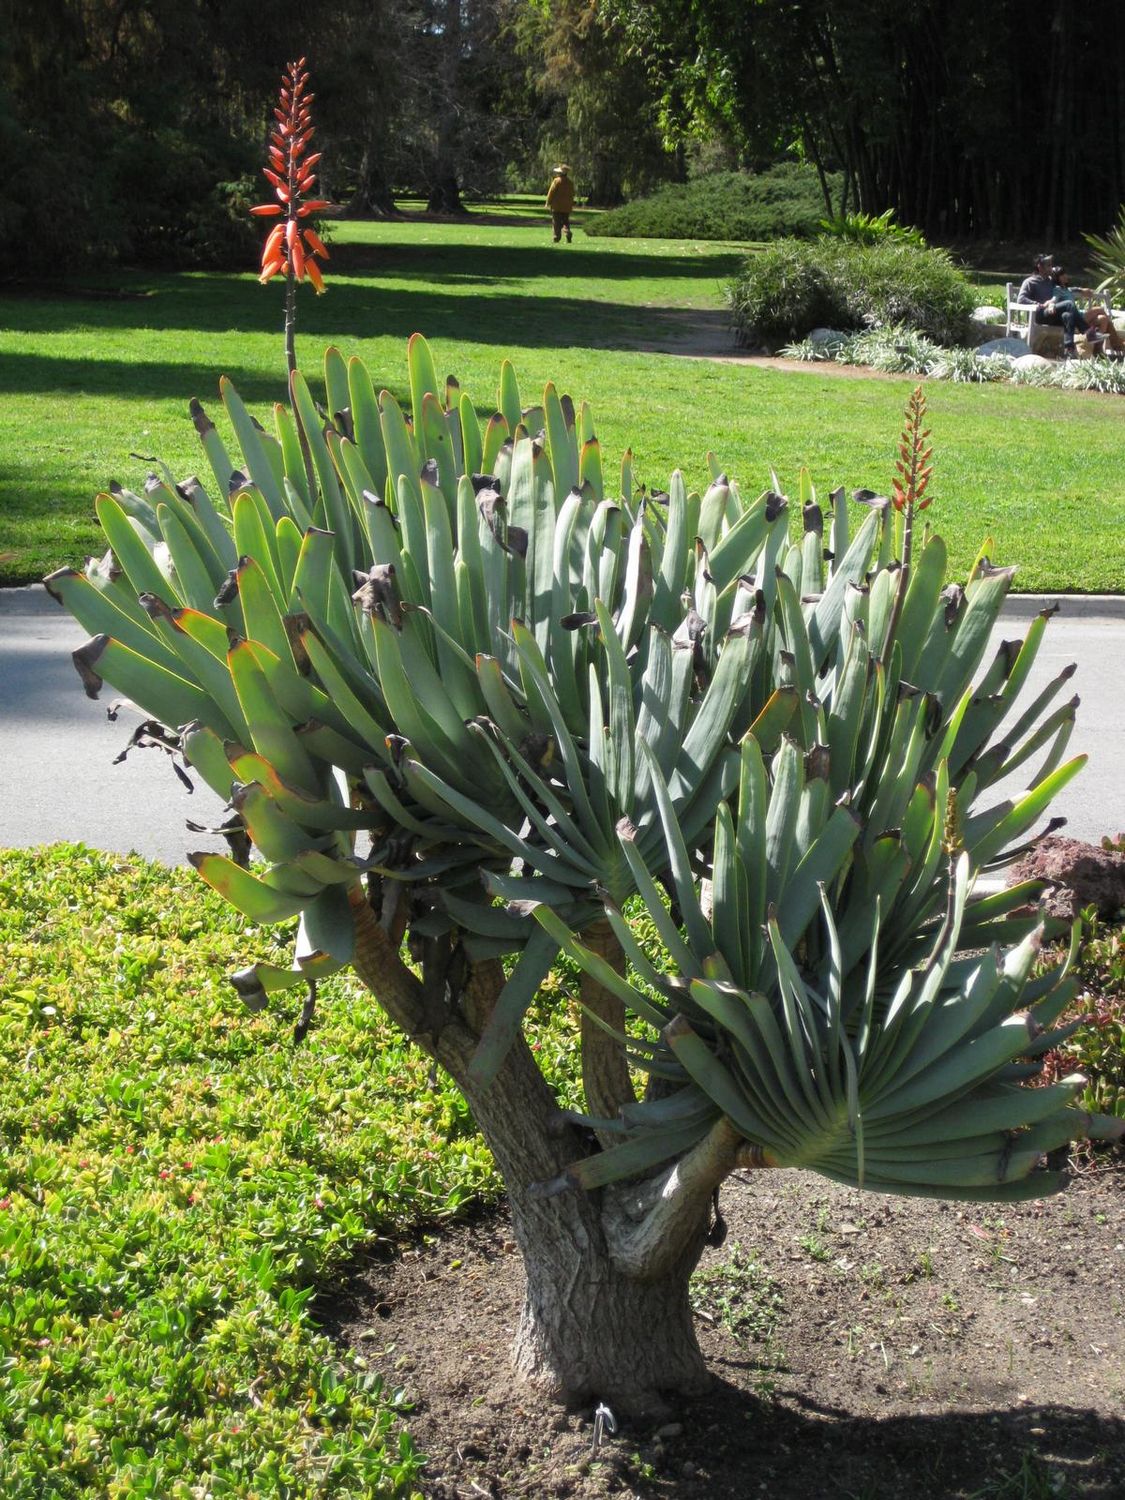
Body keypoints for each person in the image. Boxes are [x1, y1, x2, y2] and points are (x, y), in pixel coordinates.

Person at [1016, 251, 1087, 357]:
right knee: (1068, 304)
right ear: (1040, 267)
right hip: (1039, 315)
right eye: (1048, 265)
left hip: (1053, 314)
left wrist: (1080, 290)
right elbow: (1021, 299)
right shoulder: (1030, 282)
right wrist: (1038, 304)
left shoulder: (1051, 281)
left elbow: (1064, 289)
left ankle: (1069, 350)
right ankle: (1087, 331)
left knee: (1067, 315)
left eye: (1051, 265)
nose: (1051, 268)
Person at [1050, 265, 1125, 358]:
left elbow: (1073, 289)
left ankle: (1097, 350)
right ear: (1057, 278)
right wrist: (1051, 304)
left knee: (1103, 319)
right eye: (1062, 275)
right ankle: (1117, 344)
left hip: (1080, 316)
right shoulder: (1057, 289)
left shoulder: (1066, 289)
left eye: (1065, 273)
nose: (1065, 276)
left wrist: (1081, 290)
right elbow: (1054, 298)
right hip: (1074, 318)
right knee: (1100, 309)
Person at [546, 165, 575, 244]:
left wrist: (548, 202)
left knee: (556, 222)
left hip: (557, 206)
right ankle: (567, 231)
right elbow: (572, 194)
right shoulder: (570, 182)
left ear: (560, 173)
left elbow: (551, 192)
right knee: (565, 222)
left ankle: (556, 237)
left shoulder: (556, 181)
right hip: (567, 206)